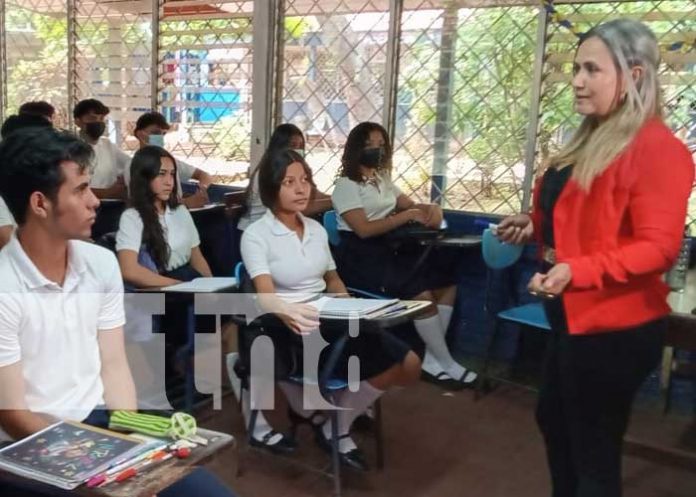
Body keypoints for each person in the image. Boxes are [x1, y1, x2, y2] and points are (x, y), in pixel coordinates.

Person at [497, 19, 695, 497]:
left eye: (592, 69)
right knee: (557, 422)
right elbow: (579, 215)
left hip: (615, 325)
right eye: (576, 68)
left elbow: (657, 248)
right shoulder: (590, 137)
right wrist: (534, 224)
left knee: (593, 449)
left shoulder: (658, 150)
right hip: (573, 313)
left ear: (635, 76)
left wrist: (575, 269)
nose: (577, 80)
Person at [0, 127, 236, 497]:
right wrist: (98, 457)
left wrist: (129, 435)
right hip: (26, 444)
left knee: (206, 491)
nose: (95, 201)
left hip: (97, 422)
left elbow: (113, 363)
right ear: (40, 204)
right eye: (80, 190)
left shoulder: (99, 264)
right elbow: (12, 414)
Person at [240, 148, 421, 471]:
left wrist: (353, 305)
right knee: (364, 360)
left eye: (305, 180)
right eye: (288, 182)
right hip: (290, 327)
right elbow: (265, 297)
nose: (300, 189)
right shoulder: (257, 235)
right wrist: (291, 312)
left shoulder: (316, 230)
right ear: (270, 189)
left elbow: (333, 278)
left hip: (332, 317)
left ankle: (333, 421)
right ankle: (334, 425)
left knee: (408, 364)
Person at [331, 121, 476, 390]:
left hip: (388, 249)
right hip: (361, 256)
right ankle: (447, 361)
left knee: (446, 284)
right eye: (369, 145)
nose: (376, 150)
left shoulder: (382, 179)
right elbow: (363, 230)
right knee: (421, 295)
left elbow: (411, 206)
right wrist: (405, 218)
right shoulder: (346, 185)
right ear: (355, 149)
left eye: (380, 145)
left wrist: (431, 208)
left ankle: (433, 358)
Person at [116, 146, 212, 287]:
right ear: (144, 177)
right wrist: (179, 285)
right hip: (160, 287)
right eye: (161, 174)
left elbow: (197, 259)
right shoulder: (132, 217)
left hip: (189, 280)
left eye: (172, 174)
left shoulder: (180, 211)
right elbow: (129, 270)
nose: (169, 182)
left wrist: (211, 287)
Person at [237, 123, 331, 231]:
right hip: (259, 231)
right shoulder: (270, 171)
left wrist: (335, 198)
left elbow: (315, 195)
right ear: (279, 147)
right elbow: (298, 208)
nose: (297, 150)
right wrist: (335, 202)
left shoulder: (295, 170)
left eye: (301, 146)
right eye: (292, 146)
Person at [132, 111, 214, 209]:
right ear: (140, 135)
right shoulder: (133, 165)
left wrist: (201, 190)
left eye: (163, 133)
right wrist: (186, 203)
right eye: (156, 133)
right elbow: (148, 204)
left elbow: (204, 175)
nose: (160, 137)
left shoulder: (169, 161)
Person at [73, 98, 130, 200]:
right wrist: (107, 193)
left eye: (101, 118)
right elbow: (71, 188)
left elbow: (131, 165)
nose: (98, 122)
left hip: (110, 207)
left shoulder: (108, 145)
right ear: (78, 121)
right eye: (92, 118)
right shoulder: (69, 147)